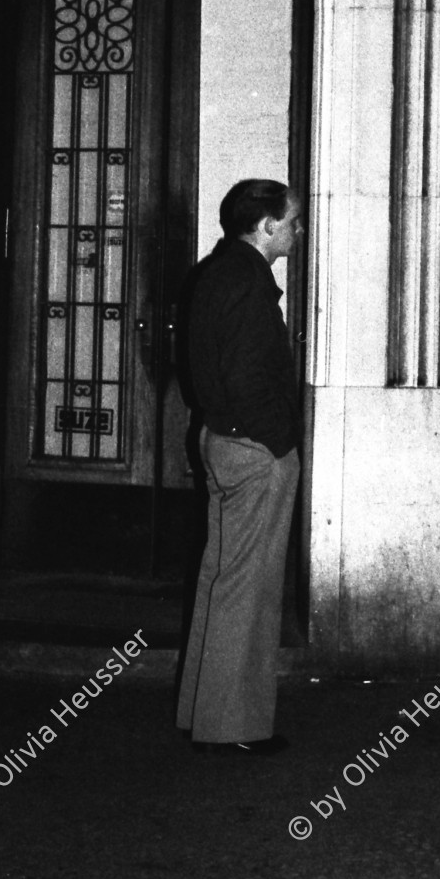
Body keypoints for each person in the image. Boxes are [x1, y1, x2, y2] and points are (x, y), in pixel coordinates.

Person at [175, 178, 304, 755]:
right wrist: (279, 445)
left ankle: (199, 713)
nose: (297, 231)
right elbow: (250, 381)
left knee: (218, 578)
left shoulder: (213, 273)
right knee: (246, 590)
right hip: (253, 450)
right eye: (292, 222)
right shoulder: (250, 286)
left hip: (218, 439)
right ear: (266, 227)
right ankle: (232, 726)